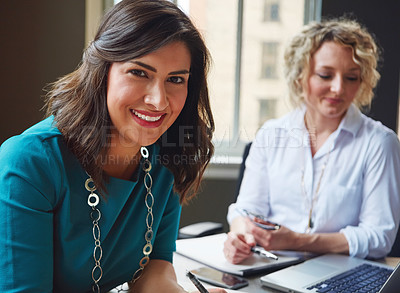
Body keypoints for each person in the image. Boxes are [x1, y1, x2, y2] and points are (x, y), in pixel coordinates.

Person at [0, 1, 226, 292]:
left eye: (175, 79)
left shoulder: (168, 158)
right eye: (139, 73)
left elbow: (155, 268)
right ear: (102, 71)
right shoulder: (29, 163)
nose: (159, 100)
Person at [224, 18, 400, 264]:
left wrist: (298, 241)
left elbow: (379, 236)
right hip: (270, 266)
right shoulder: (271, 134)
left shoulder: (379, 143)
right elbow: (245, 212)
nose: (338, 88)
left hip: (339, 273)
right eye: (325, 75)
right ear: (300, 76)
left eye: (351, 77)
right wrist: (239, 235)